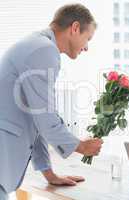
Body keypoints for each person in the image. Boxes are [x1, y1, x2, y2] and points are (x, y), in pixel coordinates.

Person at [0, 4, 103, 199]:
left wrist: (48, 173)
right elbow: (46, 118)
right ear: (74, 28)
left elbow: (35, 118)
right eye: (87, 38)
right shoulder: (44, 51)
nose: (87, 47)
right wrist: (81, 146)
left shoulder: (37, 44)